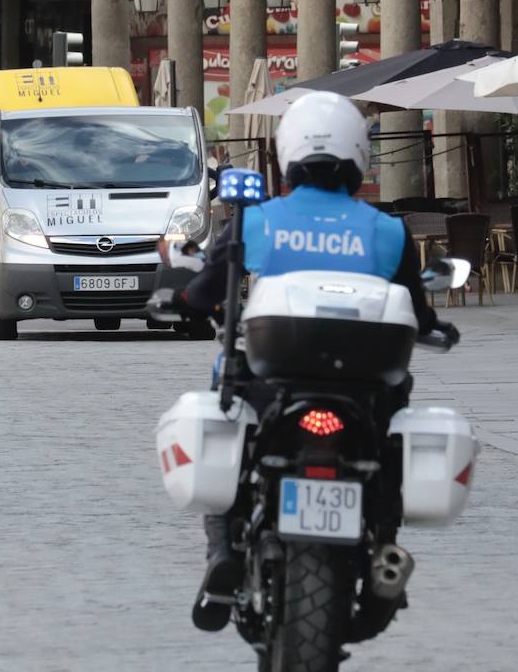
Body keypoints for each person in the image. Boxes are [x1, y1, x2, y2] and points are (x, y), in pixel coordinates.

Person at [175, 91, 457, 633]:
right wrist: (438, 327)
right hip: (365, 390)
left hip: (273, 383)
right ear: (359, 155)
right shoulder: (387, 230)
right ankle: (385, 544)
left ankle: (224, 549)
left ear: (287, 154)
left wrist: (180, 299)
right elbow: (419, 314)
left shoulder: (257, 221)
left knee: (227, 418)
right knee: (387, 449)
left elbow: (207, 288)